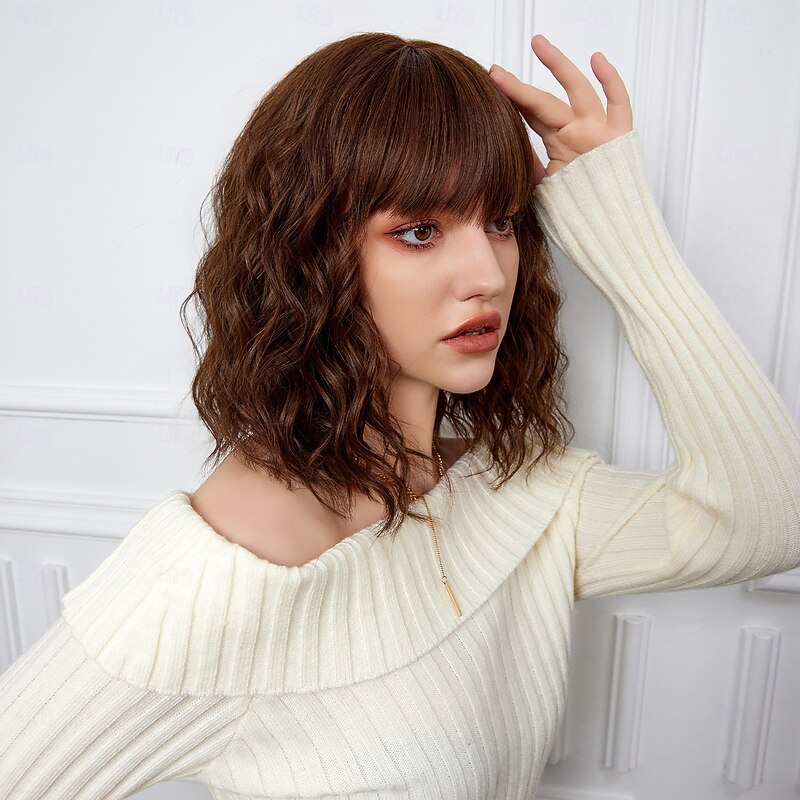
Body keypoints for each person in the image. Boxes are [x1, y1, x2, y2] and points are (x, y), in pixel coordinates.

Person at [1, 30, 798, 800]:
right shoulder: (221, 578)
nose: (488, 274)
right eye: (419, 231)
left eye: (502, 221)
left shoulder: (516, 495)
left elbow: (767, 522)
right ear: (308, 255)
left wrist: (622, 231)